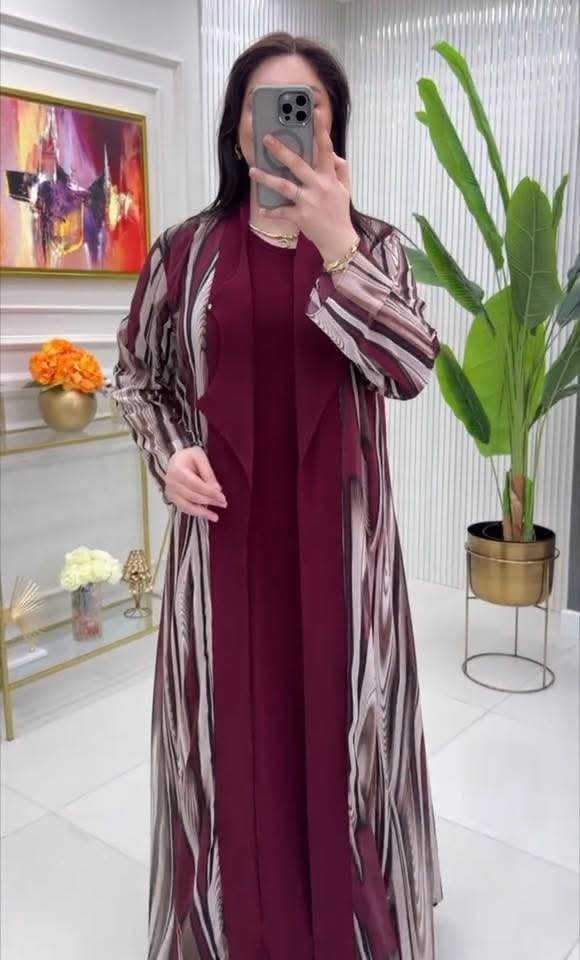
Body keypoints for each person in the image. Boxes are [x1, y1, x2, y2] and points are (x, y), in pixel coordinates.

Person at [114, 31, 443, 960]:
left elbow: (411, 369)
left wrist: (337, 247)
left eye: (308, 109)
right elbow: (138, 377)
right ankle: (229, 928)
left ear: (334, 129)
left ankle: (357, 929)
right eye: (267, 109)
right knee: (228, 738)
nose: (284, 129)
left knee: (346, 733)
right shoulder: (184, 253)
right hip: (223, 545)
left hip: (341, 548)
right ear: (236, 130)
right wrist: (170, 452)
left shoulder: (377, 247)